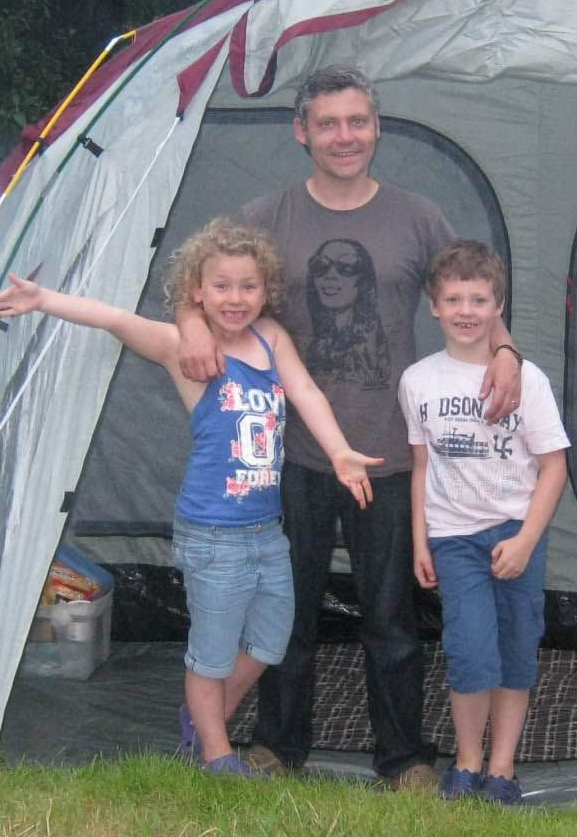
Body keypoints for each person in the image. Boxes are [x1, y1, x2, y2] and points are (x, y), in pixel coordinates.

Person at [176, 64, 524, 790]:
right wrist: (189, 325)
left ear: (377, 128)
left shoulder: (418, 216)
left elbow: (474, 296)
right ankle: (278, 744)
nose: (345, 137)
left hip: (393, 456)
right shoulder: (268, 215)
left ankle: (403, 758)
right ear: (301, 132)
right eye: (328, 123)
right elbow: (196, 280)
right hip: (293, 457)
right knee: (288, 612)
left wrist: (508, 351)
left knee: (392, 620)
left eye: (358, 121)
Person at [0, 220, 379, 776]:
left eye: (248, 286)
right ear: (196, 290)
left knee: (268, 644)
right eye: (221, 286)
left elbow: (306, 391)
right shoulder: (182, 347)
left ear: (265, 291)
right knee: (212, 653)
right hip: (213, 531)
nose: (235, 298)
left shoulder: (272, 339)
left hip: (267, 529)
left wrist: (339, 452)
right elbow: (118, 319)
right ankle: (215, 757)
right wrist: (43, 298)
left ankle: (204, 719)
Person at [402, 241, 569, 805]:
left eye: (479, 299)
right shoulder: (419, 381)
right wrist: (421, 540)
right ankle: (467, 760)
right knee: (471, 651)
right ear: (434, 306)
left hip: (516, 534)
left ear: (498, 305)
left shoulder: (530, 381)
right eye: (454, 299)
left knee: (517, 650)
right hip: (453, 539)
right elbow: (421, 464)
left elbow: (553, 466)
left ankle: (502, 767)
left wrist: (525, 539)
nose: (466, 310)